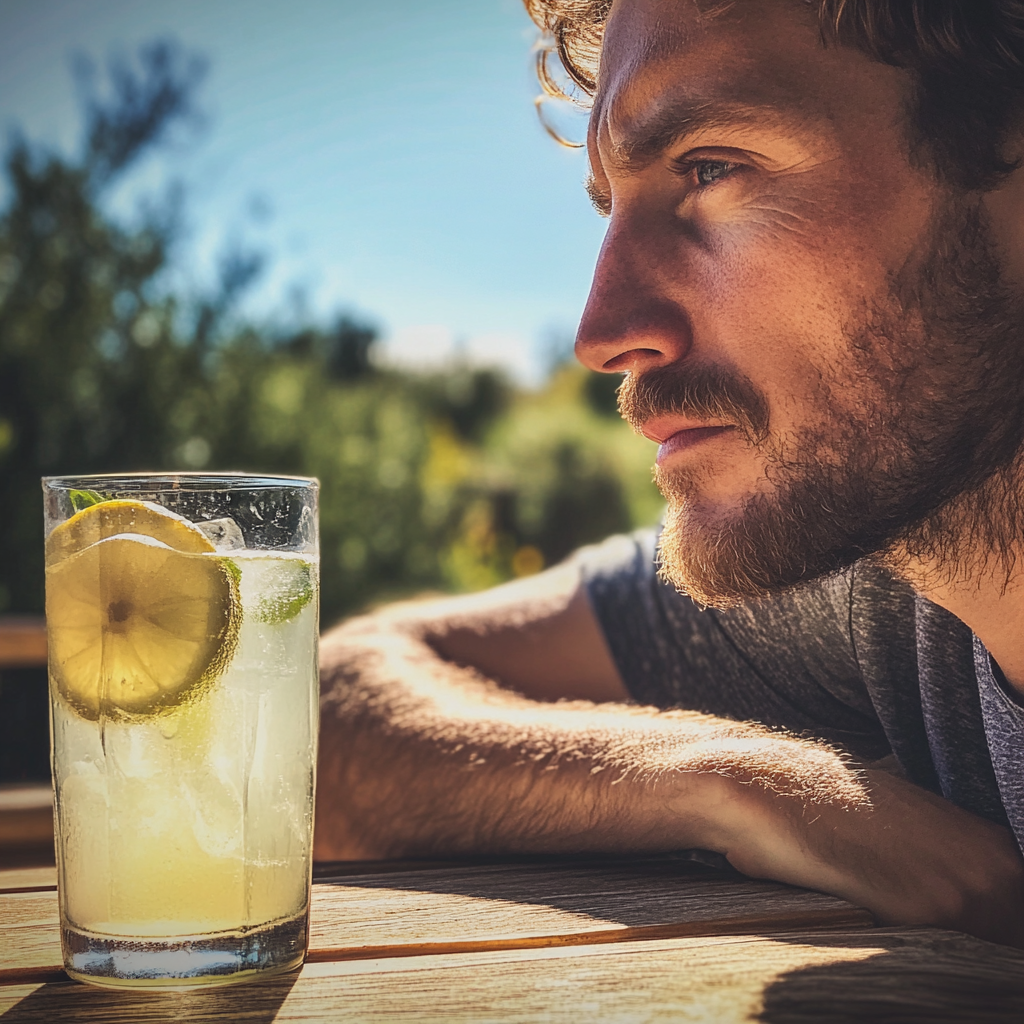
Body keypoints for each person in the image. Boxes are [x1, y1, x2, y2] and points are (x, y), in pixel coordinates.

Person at [315, 0, 1024, 946]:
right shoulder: (890, 592)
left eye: (712, 168)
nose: (603, 334)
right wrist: (738, 785)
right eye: (615, 206)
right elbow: (328, 712)